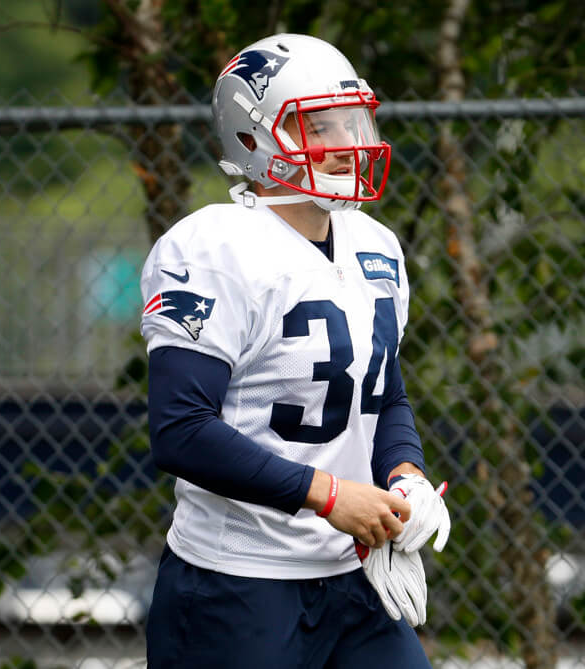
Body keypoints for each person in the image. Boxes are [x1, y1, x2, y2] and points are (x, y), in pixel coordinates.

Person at [139, 33, 450, 668]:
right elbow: (181, 430)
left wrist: (405, 474)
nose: (346, 143)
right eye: (318, 125)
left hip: (353, 580)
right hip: (238, 585)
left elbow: (382, 394)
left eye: (352, 121)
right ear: (252, 138)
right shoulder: (211, 249)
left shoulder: (377, 247)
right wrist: (332, 495)